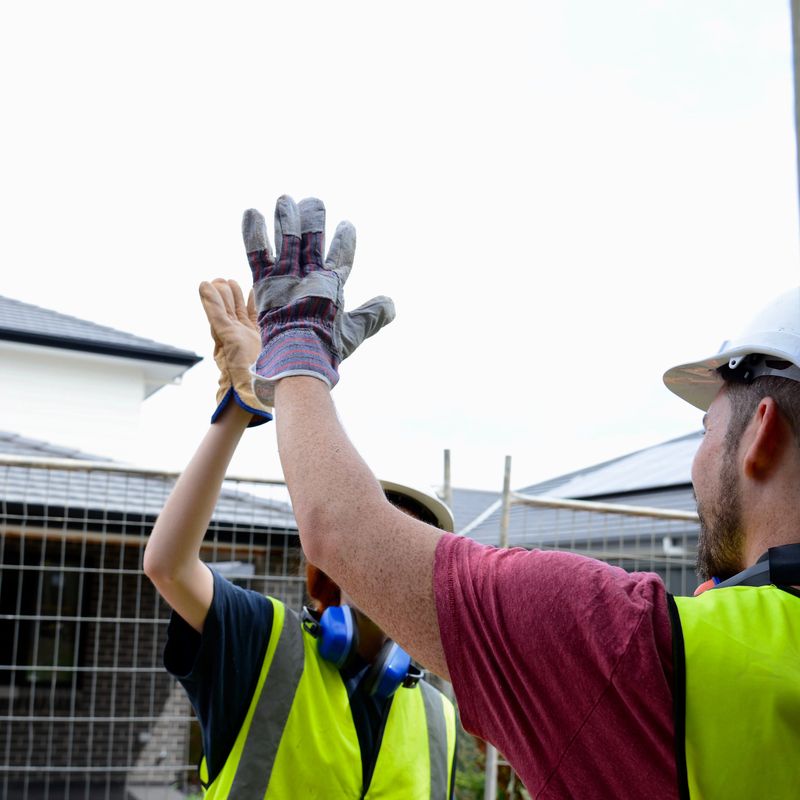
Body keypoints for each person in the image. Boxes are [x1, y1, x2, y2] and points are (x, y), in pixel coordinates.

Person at [200, 193, 800, 799]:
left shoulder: (643, 650)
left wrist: (296, 347)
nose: (697, 466)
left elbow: (340, 528)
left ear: (762, 432)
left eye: (705, 431)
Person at [142, 279, 457, 799]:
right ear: (332, 562)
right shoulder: (262, 642)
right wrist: (240, 406)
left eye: (413, 545)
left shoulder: (440, 717)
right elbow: (169, 566)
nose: (395, 559)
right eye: (374, 539)